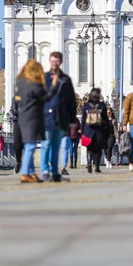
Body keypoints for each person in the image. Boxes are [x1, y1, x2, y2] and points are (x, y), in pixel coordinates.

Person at [13, 59, 59, 183]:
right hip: (33, 117)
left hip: (22, 117)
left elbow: (16, 100)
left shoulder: (19, 83)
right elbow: (46, 97)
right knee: (30, 145)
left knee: (28, 143)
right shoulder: (35, 84)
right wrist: (54, 85)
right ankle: (25, 173)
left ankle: (32, 173)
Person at [41, 51, 77, 182]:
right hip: (47, 117)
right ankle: (45, 170)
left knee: (56, 146)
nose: (54, 63)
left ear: (61, 62)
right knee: (46, 144)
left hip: (61, 117)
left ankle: (54, 171)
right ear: (49, 62)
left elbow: (71, 100)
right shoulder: (44, 78)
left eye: (57, 61)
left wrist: (72, 119)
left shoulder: (66, 79)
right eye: (52, 61)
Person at [81, 88, 109, 173]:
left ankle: (89, 164)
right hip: (99, 130)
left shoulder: (86, 106)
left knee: (89, 148)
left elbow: (82, 120)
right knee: (98, 149)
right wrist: (106, 130)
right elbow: (106, 120)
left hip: (88, 130)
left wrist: (82, 132)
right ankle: (97, 166)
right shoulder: (102, 106)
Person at [11, 98, 23, 174]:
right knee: (17, 146)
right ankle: (18, 161)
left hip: (28, 122)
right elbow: (13, 110)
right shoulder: (16, 98)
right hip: (18, 122)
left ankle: (28, 168)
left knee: (29, 145)